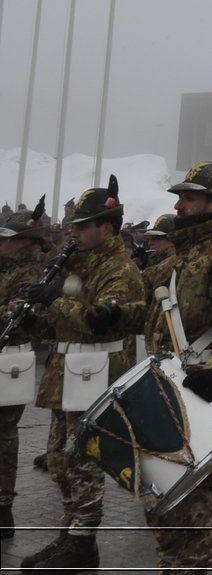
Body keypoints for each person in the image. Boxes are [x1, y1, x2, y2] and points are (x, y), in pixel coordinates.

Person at [130, 157, 212, 573]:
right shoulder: (184, 253)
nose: (180, 206)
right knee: (161, 493)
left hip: (197, 388)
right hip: (165, 384)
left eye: (190, 198)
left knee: (188, 494)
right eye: (181, 198)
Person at [19, 178, 144, 573]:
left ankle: (83, 541)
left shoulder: (119, 270)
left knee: (84, 462)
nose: (72, 232)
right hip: (68, 373)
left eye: (81, 225)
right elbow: (59, 326)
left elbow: (98, 323)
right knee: (59, 460)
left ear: (106, 228)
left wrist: (55, 301)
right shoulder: (77, 264)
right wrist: (30, 318)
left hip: (96, 376)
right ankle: (70, 532)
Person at [0, 201, 48, 540]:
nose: (2, 244)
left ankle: (3, 508)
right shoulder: (7, 268)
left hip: (10, 358)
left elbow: (14, 315)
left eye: (9, 239)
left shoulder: (31, 274)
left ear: (26, 242)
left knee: (4, 436)